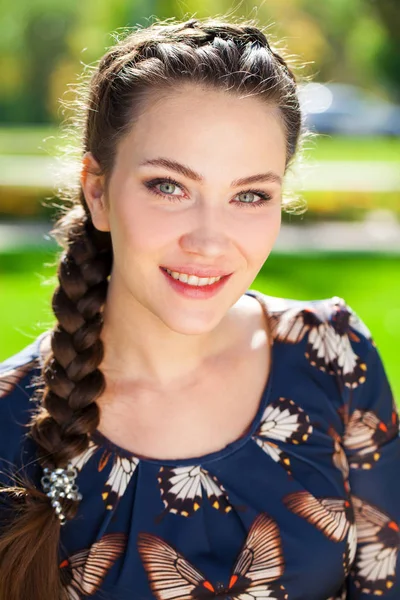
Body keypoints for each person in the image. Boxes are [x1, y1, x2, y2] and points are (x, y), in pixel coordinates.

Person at [0, 14, 399, 600]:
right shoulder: (8, 425)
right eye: (169, 186)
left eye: (250, 195)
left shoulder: (332, 355)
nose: (211, 241)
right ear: (97, 192)